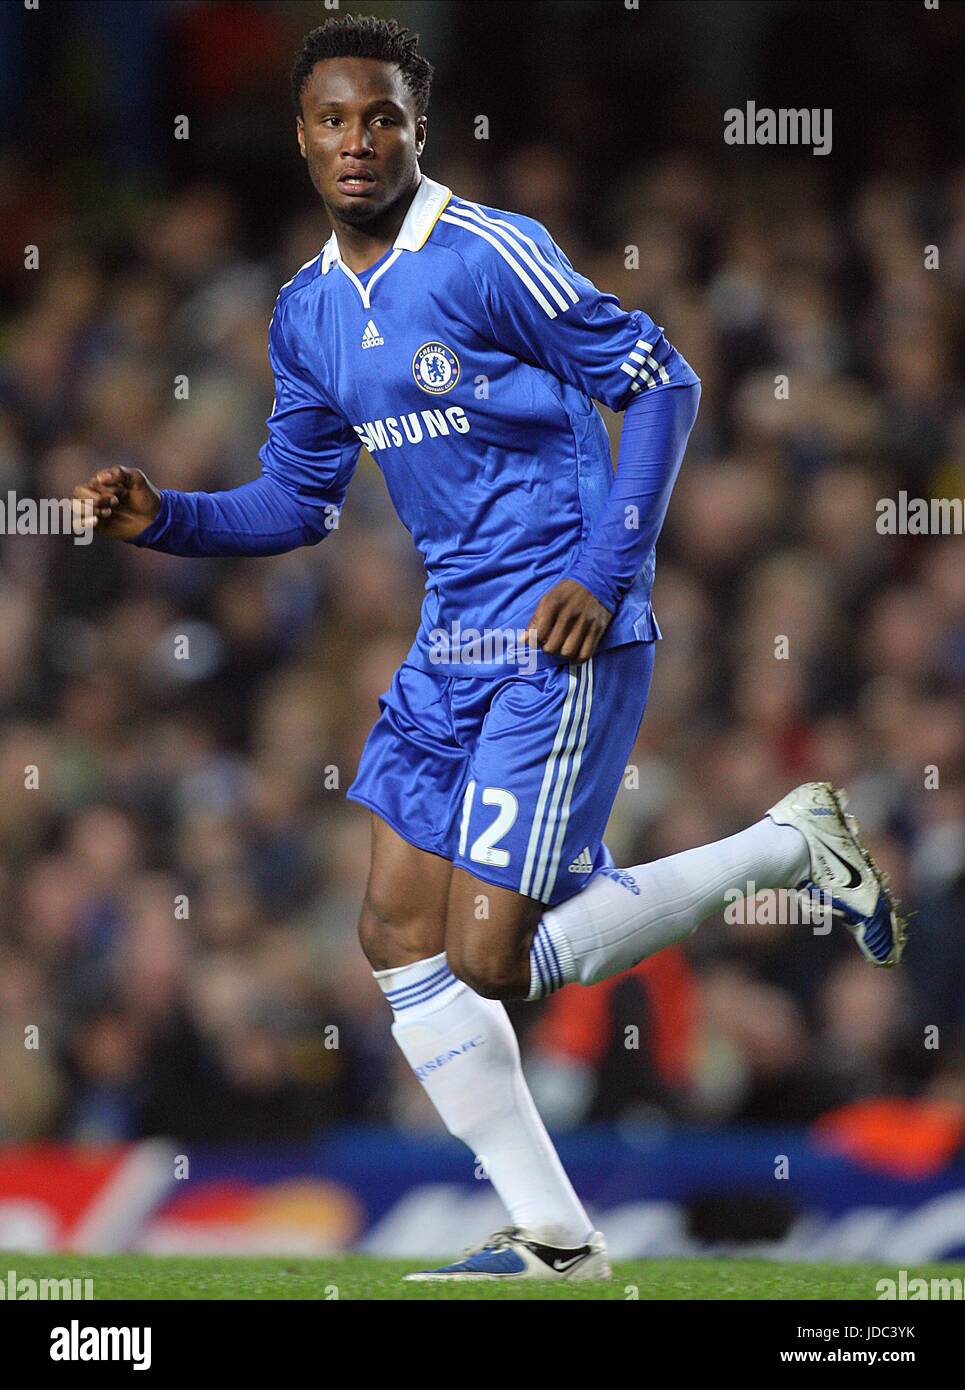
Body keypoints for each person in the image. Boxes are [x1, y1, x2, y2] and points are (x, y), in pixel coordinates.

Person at [72, 15, 906, 1282]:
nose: (360, 141)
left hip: (554, 633)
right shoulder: (306, 312)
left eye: (384, 118)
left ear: (420, 129)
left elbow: (661, 380)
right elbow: (295, 505)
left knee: (487, 957)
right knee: (395, 934)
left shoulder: (487, 255)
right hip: (443, 640)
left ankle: (789, 841)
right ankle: (557, 1237)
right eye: (334, 120)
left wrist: (601, 569)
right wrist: (164, 519)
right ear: (299, 138)